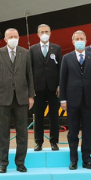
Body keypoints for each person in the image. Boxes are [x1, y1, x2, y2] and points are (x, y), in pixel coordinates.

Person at [0, 28, 34, 174]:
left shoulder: (25, 53)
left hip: (21, 98)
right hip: (3, 98)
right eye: (11, 36)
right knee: (3, 133)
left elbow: (29, 76)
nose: (13, 38)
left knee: (22, 133)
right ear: (5, 39)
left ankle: (20, 162)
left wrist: (30, 96)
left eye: (16, 36)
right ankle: (3, 163)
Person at [59, 30, 91, 170]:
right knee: (72, 132)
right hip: (72, 101)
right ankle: (73, 160)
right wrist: (63, 100)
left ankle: (87, 160)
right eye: (77, 38)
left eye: (81, 38)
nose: (79, 41)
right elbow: (63, 80)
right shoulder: (66, 58)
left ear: (86, 40)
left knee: (88, 132)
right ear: (73, 42)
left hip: (89, 101)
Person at [30, 24, 61, 152]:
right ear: (37, 34)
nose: (44, 33)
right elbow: (29, 70)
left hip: (53, 87)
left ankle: (54, 142)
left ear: (50, 33)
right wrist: (31, 87)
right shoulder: (32, 49)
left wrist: (60, 84)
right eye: (42, 32)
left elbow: (60, 68)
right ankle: (38, 142)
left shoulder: (57, 48)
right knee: (38, 116)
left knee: (54, 116)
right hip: (38, 88)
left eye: (46, 31)